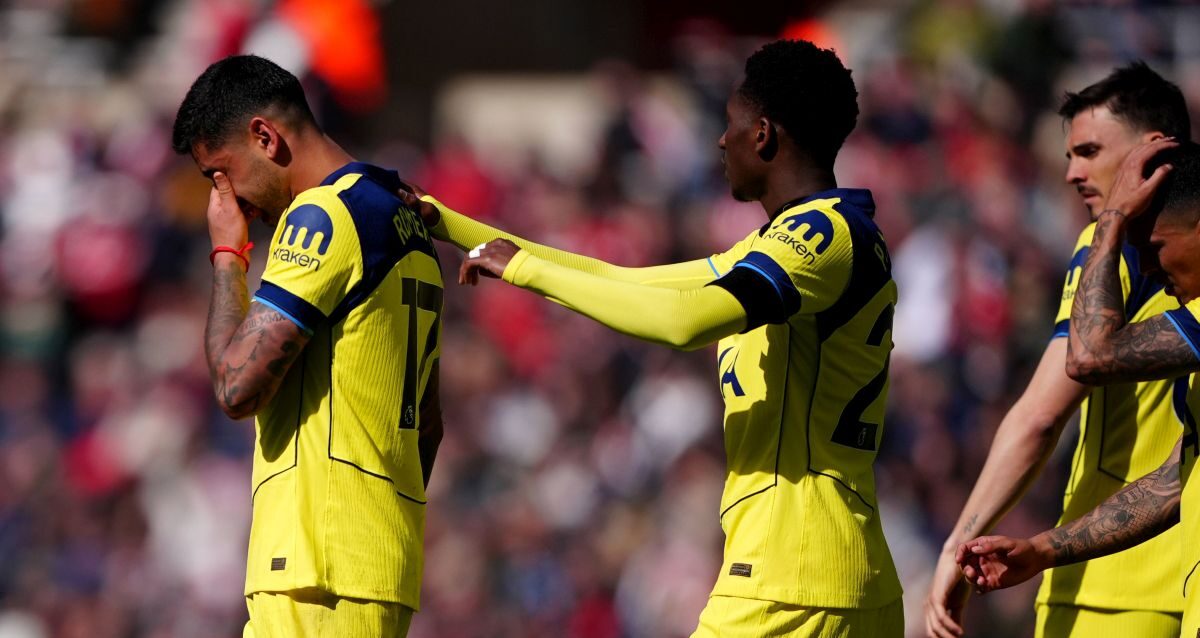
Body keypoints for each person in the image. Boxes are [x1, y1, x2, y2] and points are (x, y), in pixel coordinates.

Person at [404, 39, 903, 637]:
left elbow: (681, 322)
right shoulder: (786, 243)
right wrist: (448, 224)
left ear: (763, 134)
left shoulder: (821, 236)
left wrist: (522, 270)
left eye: (730, 124)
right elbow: (621, 280)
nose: (721, 140)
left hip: (791, 583)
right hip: (831, 576)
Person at [171, 55, 444, 637]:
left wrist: (228, 256)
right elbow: (428, 426)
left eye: (220, 174)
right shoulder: (405, 220)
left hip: (319, 571)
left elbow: (235, 385)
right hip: (363, 565)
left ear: (264, 137)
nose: (227, 201)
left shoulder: (323, 214)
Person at [924, 62, 1190, 638]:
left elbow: (1041, 415)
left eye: (1089, 150)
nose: (1071, 172)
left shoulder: (1116, 249)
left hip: (1113, 588)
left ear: (1151, 150)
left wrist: (959, 539)